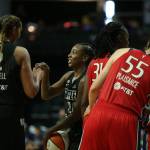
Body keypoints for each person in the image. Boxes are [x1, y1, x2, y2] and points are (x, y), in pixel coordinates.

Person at [79, 46, 150, 149]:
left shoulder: (122, 51)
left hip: (99, 112)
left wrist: (91, 108)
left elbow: (94, 89)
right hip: (126, 121)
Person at [36, 43, 95, 150]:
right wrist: (46, 74)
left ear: (84, 58)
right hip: (70, 128)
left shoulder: (84, 80)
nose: (69, 55)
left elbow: (76, 114)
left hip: (82, 130)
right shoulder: (68, 76)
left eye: (74, 52)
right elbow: (46, 95)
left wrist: (50, 130)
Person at [0, 15, 42, 150]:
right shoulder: (20, 52)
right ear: (14, 29)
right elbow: (31, 92)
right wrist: (38, 75)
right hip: (9, 115)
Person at [81, 21, 129, 122]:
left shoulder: (93, 62)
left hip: (92, 119)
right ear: (120, 38)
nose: (128, 42)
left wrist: (86, 124)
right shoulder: (122, 62)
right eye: (127, 38)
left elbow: (83, 102)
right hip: (114, 119)